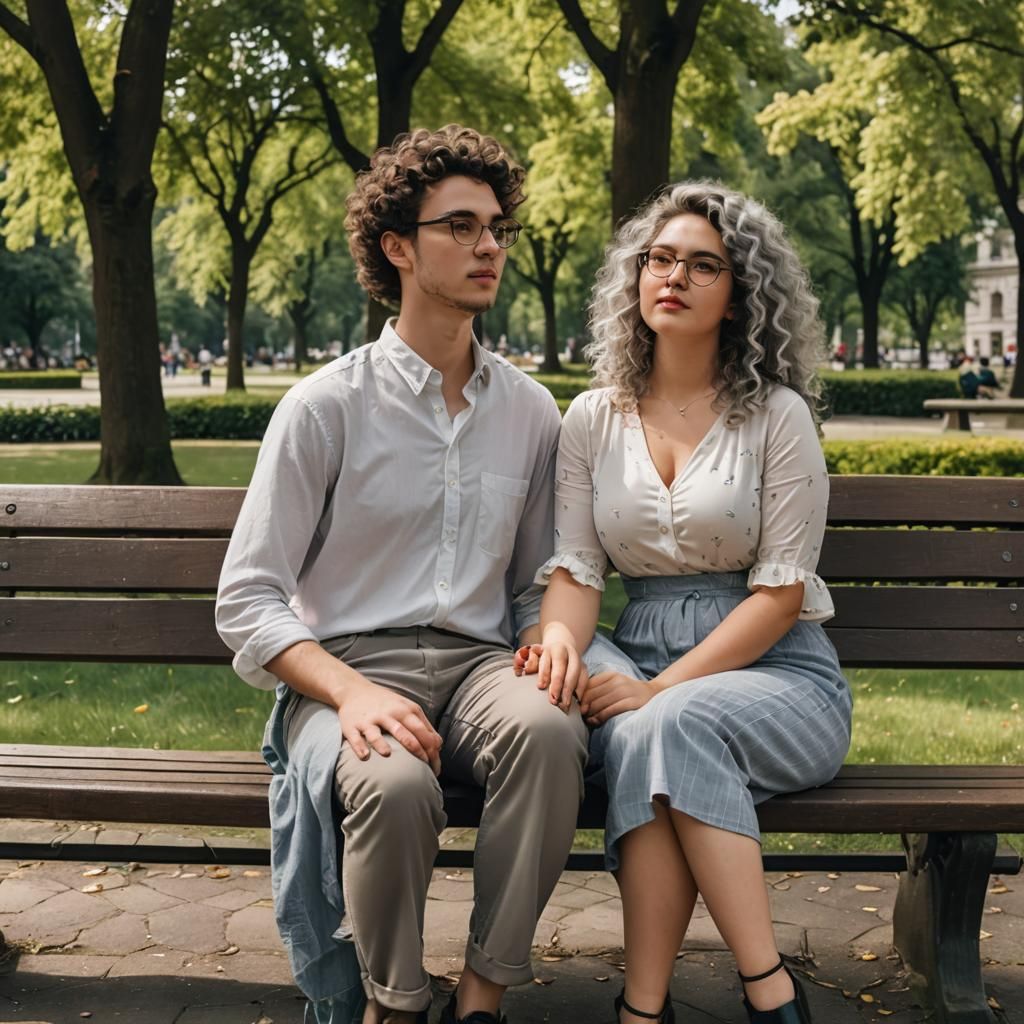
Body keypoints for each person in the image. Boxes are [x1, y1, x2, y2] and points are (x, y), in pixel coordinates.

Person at [215, 124, 588, 1024]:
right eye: (458, 226)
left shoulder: (533, 412)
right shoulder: (325, 406)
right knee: (390, 782)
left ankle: (485, 994)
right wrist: (347, 695)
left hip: (475, 669)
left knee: (547, 731)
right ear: (397, 247)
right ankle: (394, 1001)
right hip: (348, 664)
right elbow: (248, 598)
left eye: (497, 226)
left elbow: (539, 574)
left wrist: (546, 635)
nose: (489, 245)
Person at [515, 182, 852, 1024]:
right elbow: (578, 570)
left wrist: (661, 690)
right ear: (636, 277)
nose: (675, 277)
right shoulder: (593, 417)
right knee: (644, 731)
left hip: (778, 676)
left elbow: (779, 598)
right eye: (660, 259)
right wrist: (562, 641)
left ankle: (763, 983)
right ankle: (651, 1004)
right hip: (637, 657)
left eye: (705, 266)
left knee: (664, 724)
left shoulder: (778, 417)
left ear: (740, 297)